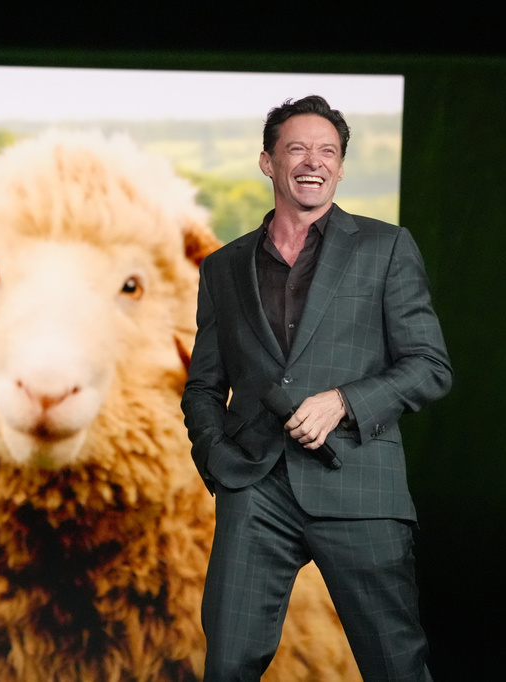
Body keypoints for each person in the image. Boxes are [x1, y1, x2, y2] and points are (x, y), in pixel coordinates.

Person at [181, 95, 452, 681]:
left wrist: (344, 402)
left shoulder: (386, 247)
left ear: (341, 167)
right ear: (267, 162)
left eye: (328, 151)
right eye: (297, 149)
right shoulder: (224, 267)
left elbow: (430, 365)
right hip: (256, 489)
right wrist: (219, 460)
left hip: (358, 489)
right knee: (226, 666)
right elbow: (203, 386)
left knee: (396, 667)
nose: (314, 161)